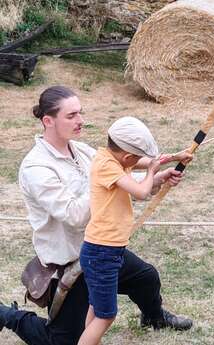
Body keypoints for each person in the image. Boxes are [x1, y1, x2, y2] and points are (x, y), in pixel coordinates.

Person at [0, 86, 193, 345]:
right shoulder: (36, 167)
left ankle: (153, 317)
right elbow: (75, 214)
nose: (80, 120)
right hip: (70, 264)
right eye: (71, 116)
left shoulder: (79, 149)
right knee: (62, 341)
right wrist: (125, 183)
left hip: (101, 248)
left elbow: (119, 167)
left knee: (146, 277)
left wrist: (155, 177)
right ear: (48, 121)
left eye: (80, 113)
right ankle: (7, 315)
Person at [78, 116, 190, 345]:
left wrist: (176, 158)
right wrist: (151, 173)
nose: (138, 161)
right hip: (102, 252)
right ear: (127, 156)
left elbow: (145, 162)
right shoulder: (107, 165)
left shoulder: (110, 157)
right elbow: (140, 192)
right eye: (136, 158)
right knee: (106, 315)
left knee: (95, 307)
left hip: (106, 250)